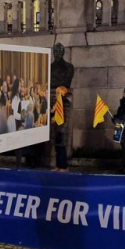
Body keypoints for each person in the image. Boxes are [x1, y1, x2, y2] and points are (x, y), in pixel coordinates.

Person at [50, 43, 75, 171]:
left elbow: (65, 83)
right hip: (52, 101)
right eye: (55, 51)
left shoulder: (69, 67)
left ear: (63, 52)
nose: (57, 54)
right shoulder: (50, 67)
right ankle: (58, 164)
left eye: (59, 51)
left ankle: (63, 165)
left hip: (64, 101)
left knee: (62, 134)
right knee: (54, 135)